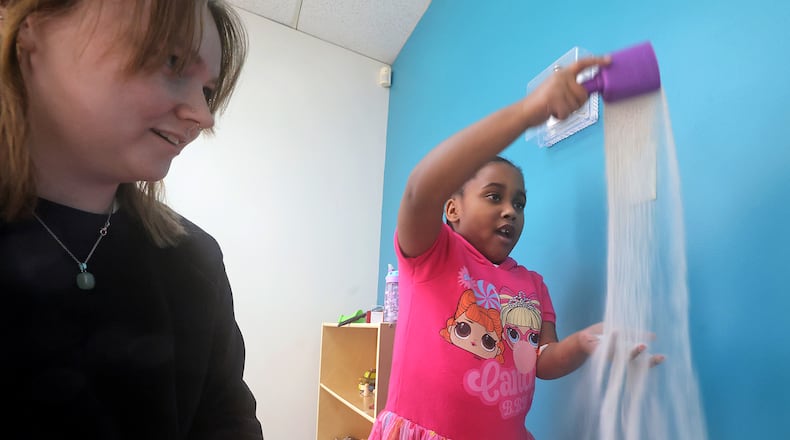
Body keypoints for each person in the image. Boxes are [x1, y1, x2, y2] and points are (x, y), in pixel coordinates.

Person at [0, 1, 263, 438]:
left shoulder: (194, 260)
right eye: (172, 61)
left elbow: (227, 418)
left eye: (209, 91)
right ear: (33, 33)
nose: (203, 116)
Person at [369, 57, 663, 440]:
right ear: (452, 208)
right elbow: (418, 192)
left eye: (520, 203)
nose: (510, 210)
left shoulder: (532, 285)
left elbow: (542, 360)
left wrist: (582, 344)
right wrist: (530, 113)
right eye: (494, 196)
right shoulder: (432, 254)